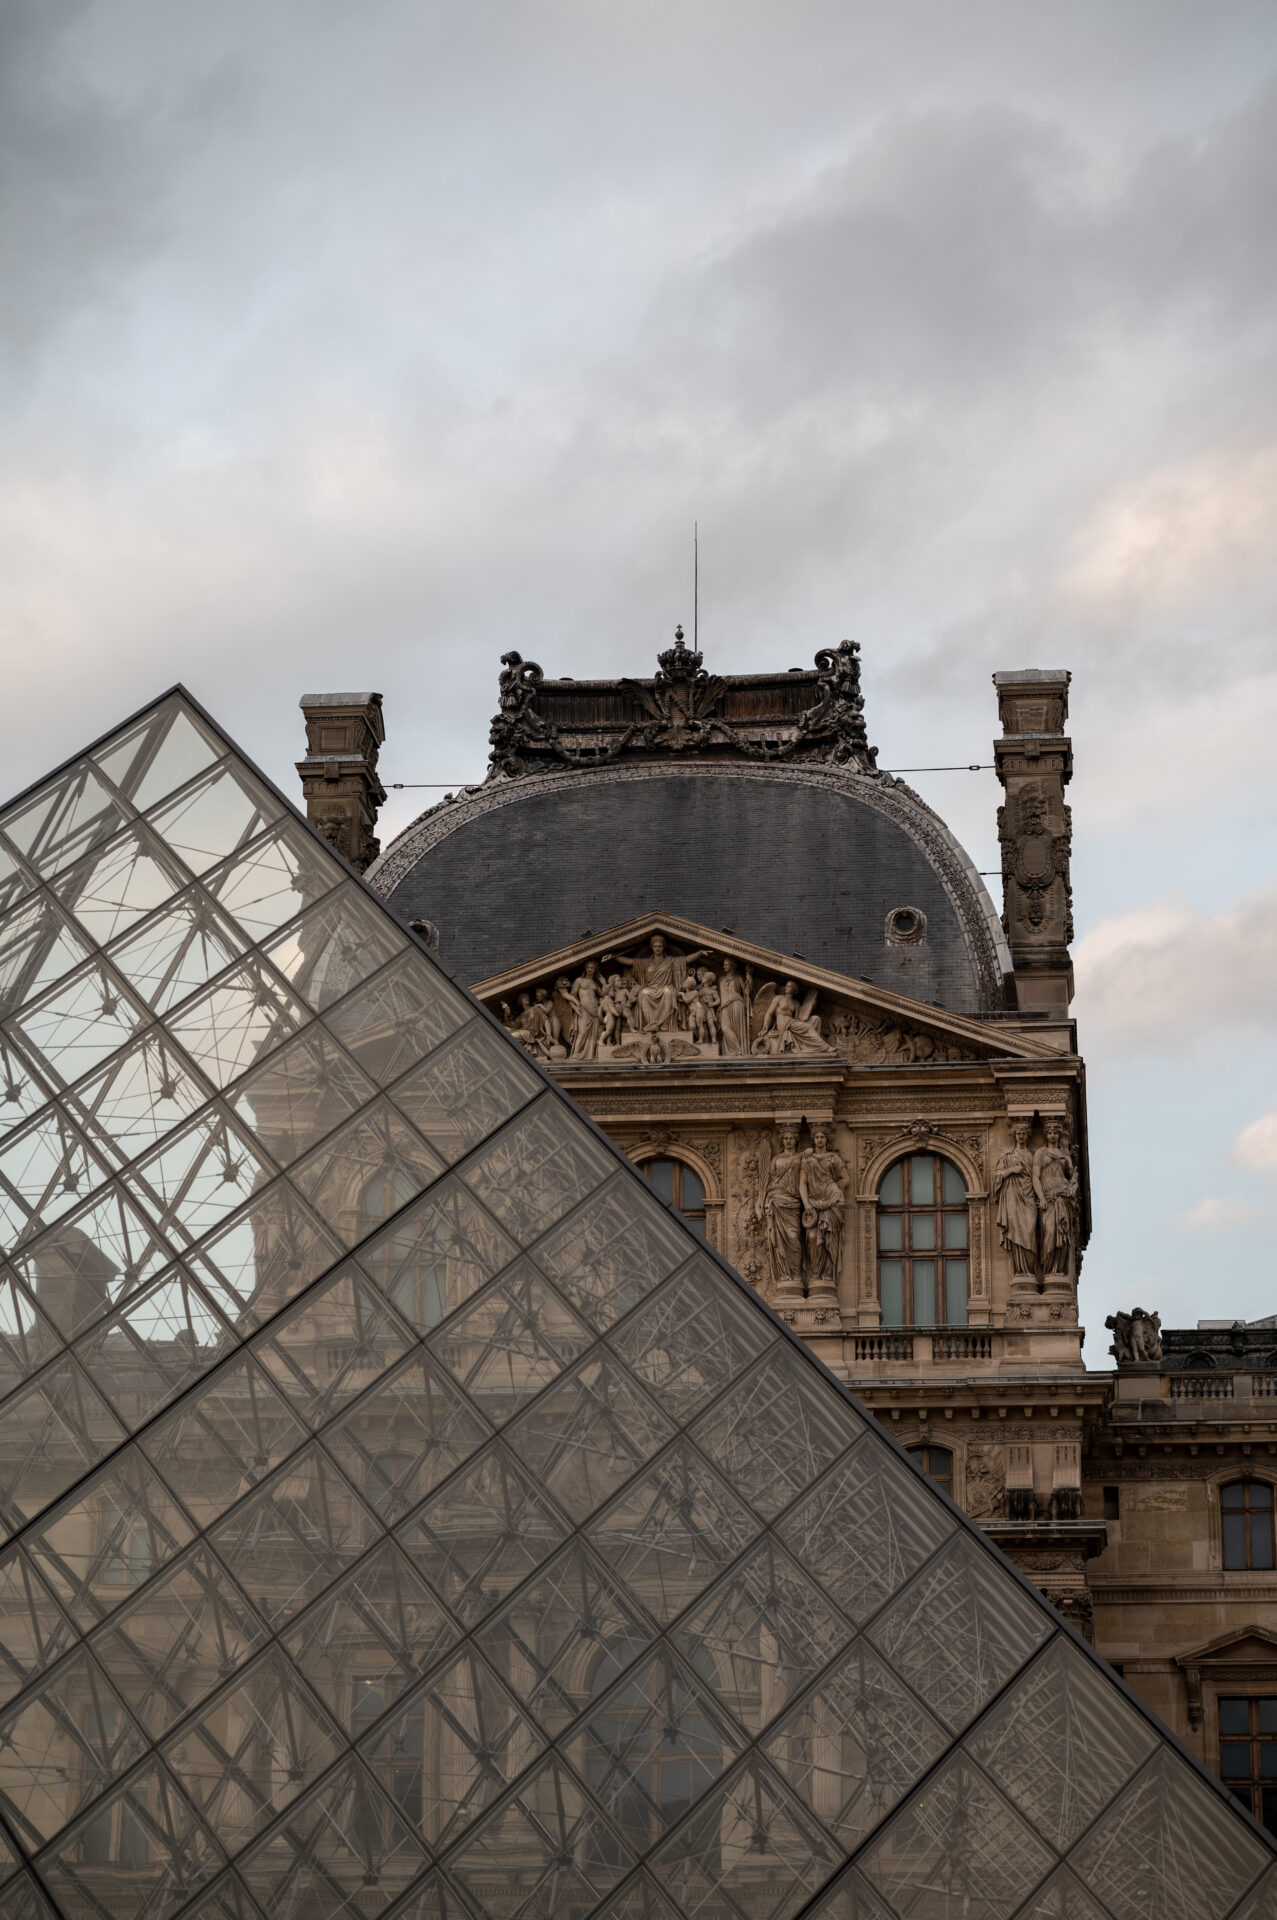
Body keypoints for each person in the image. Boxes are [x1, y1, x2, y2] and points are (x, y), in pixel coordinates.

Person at [994, 1120, 1038, 1276]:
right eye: (1018, 1134)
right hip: (1013, 1196)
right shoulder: (1008, 1157)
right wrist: (1012, 1170)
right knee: (1016, 1231)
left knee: (1029, 1232)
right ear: (1014, 1135)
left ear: (1028, 1135)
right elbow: (997, 1176)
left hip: (1029, 1198)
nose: (1020, 1137)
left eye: (1023, 1134)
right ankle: (1021, 1271)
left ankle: (1029, 1271)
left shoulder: (1034, 1156)